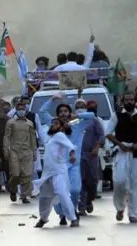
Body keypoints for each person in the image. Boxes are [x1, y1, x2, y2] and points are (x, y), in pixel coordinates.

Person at [39, 91, 95, 225]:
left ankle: (71, 209)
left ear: (70, 113)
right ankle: (62, 214)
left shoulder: (77, 123)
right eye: (61, 112)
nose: (63, 114)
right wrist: (52, 99)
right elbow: (42, 112)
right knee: (59, 193)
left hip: (73, 164)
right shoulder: (54, 124)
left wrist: (77, 115)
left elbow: (92, 116)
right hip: (58, 167)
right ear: (57, 115)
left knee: (75, 190)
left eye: (66, 111)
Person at [106, 91, 137, 223]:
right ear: (123, 101)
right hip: (121, 152)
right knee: (119, 181)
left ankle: (134, 214)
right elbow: (108, 133)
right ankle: (120, 208)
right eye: (127, 100)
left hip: (136, 153)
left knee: (136, 184)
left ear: (135, 100)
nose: (129, 102)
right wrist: (119, 144)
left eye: (132, 100)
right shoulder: (117, 115)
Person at [33, 118, 79, 228]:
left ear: (61, 127)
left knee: (62, 193)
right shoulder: (49, 137)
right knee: (45, 197)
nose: (53, 125)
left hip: (59, 171)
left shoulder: (60, 135)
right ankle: (43, 219)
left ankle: (73, 218)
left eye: (56, 123)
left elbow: (71, 146)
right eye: (52, 123)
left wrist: (72, 155)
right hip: (47, 172)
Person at [3, 102, 37, 203]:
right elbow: (7, 137)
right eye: (19, 109)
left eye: (23, 109)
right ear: (16, 110)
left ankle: (24, 195)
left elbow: (33, 138)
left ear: (26, 110)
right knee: (15, 174)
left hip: (27, 152)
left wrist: (34, 151)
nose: (21, 111)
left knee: (27, 174)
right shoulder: (10, 123)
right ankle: (12, 189)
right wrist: (6, 150)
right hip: (14, 151)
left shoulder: (30, 123)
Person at [78, 100, 105, 216]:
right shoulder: (74, 122)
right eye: (78, 107)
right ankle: (82, 206)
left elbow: (102, 136)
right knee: (81, 181)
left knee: (93, 180)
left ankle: (89, 200)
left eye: (83, 107)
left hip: (92, 155)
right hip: (79, 156)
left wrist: (97, 147)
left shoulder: (94, 122)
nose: (80, 109)